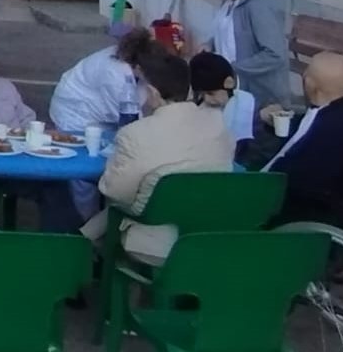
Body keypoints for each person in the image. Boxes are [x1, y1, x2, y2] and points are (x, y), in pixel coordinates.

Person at [83, 51, 235, 263]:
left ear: (153, 94)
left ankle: (79, 252)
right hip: (205, 232)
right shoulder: (220, 128)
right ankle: (82, 240)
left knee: (120, 207)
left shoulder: (135, 134)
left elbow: (116, 193)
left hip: (155, 241)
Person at [260, 52, 343, 225]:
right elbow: (309, 130)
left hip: (293, 212)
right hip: (335, 210)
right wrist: (280, 122)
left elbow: (288, 175)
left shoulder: (328, 130)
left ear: (309, 84)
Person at [202, 0, 291, 109]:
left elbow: (274, 55)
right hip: (233, 93)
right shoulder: (229, 0)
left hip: (259, 102)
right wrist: (209, 46)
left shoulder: (258, 6)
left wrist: (232, 69)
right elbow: (227, 36)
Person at [49, 28, 161, 133]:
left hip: (95, 110)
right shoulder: (114, 74)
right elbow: (129, 119)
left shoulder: (128, 56)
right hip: (75, 114)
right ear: (138, 66)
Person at [189, 52, 257, 149]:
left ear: (229, 83)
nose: (207, 100)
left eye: (211, 93)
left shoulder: (249, 107)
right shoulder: (198, 106)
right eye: (202, 94)